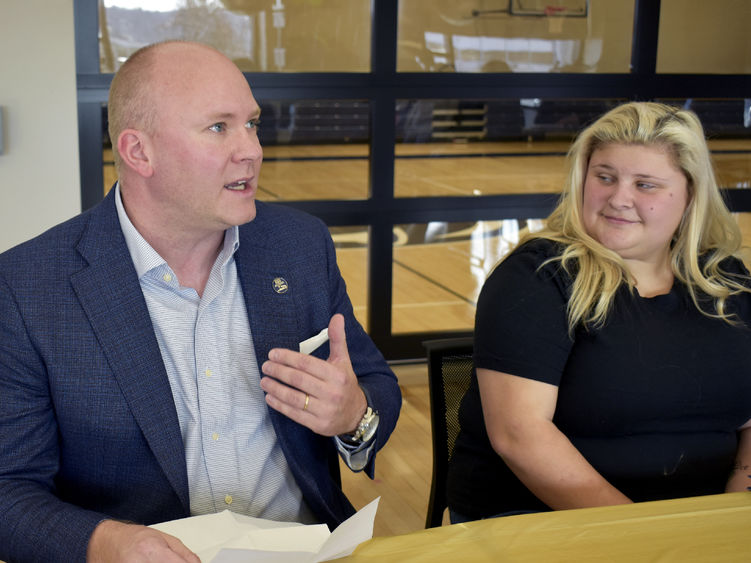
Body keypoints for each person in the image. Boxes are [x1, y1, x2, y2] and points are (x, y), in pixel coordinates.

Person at [0, 40, 401, 562]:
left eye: (252, 124)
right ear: (138, 151)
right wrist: (105, 542)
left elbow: (373, 387)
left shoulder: (299, 246)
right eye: (219, 127)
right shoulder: (27, 286)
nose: (252, 150)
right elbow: (8, 488)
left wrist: (354, 416)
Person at [447, 101, 751, 522]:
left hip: (700, 521)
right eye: (605, 178)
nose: (618, 199)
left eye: (645, 185)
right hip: (547, 522)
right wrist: (644, 536)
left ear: (690, 195)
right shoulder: (538, 278)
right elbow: (520, 435)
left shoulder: (727, 280)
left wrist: (737, 505)